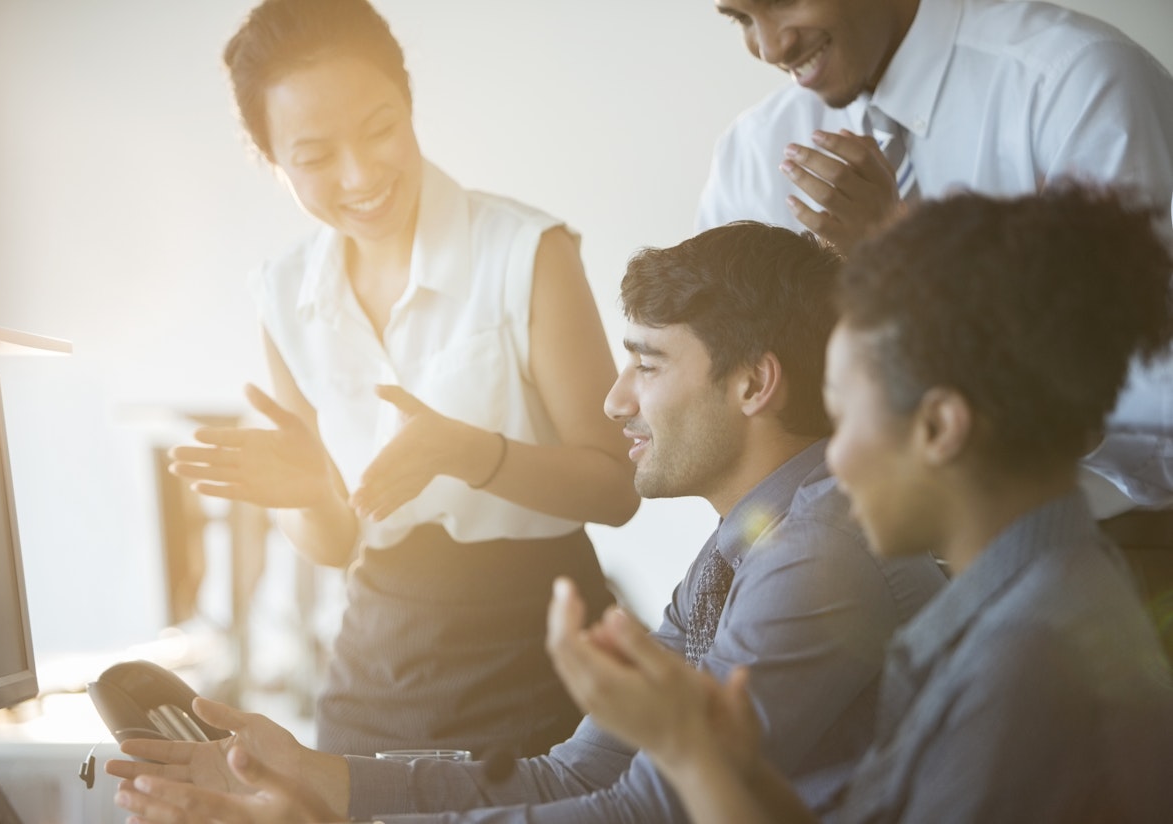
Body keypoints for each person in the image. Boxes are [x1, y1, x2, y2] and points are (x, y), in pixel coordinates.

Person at [108, 222, 947, 822]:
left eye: (646, 365)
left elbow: (645, 811)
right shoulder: (748, 547)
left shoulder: (819, 558)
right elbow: (576, 771)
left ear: (755, 385)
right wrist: (324, 778)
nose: (615, 401)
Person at [549, 185, 1173, 822]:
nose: (829, 460)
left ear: (937, 427)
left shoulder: (1027, 658)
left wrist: (688, 750)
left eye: (845, 419)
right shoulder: (1017, 603)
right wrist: (713, 755)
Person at [166, 0, 640, 760]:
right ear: (272, 160)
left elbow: (617, 487)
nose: (360, 175)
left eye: (380, 129)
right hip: (376, 669)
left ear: (410, 103)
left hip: (543, 650)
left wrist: (473, 453)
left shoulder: (526, 253)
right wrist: (310, 495)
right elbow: (333, 543)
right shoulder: (284, 292)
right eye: (315, 157)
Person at [699, 0, 1173, 516]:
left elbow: (1156, 401)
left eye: (783, 0)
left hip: (1111, 554)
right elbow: (727, 391)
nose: (770, 47)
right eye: (741, 18)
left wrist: (903, 267)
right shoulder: (753, 154)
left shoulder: (1075, 83)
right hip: (853, 568)